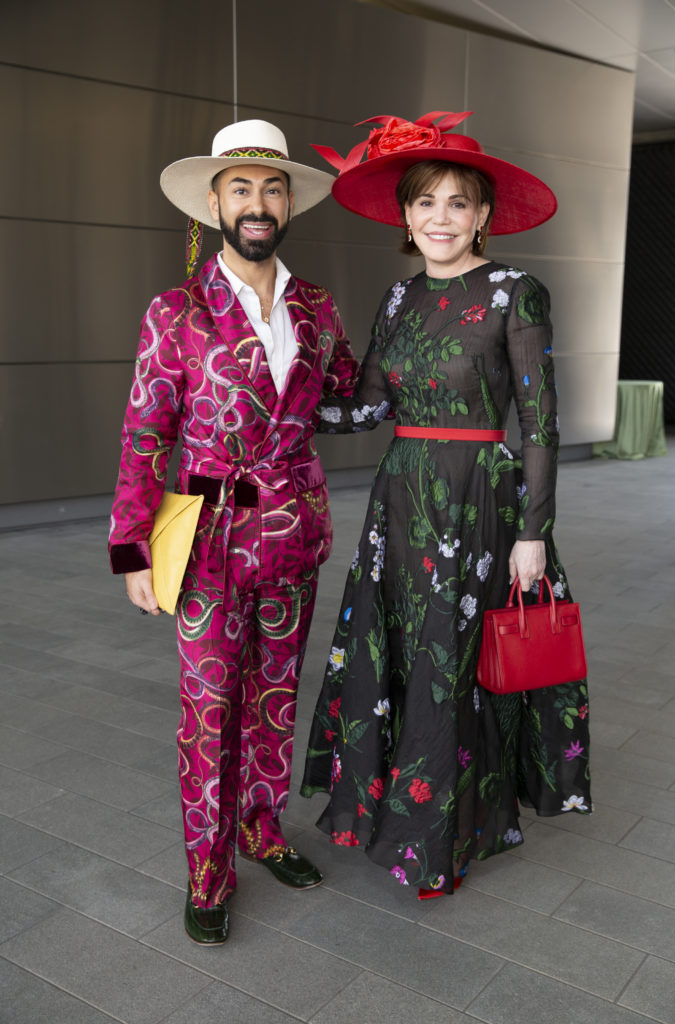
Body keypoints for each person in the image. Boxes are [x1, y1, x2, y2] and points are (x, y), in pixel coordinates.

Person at [301, 111, 592, 899]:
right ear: (404, 215)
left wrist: (534, 534)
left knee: (450, 665)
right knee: (400, 651)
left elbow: (540, 423)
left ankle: (442, 838)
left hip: (477, 504)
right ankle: (389, 816)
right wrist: (275, 404)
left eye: (457, 203)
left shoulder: (513, 293)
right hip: (399, 502)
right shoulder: (395, 299)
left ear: (483, 216)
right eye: (425, 202)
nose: (440, 218)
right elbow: (365, 409)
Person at [108, 119, 359, 943]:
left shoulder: (317, 308)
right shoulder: (174, 310)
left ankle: (260, 829)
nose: (258, 203)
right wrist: (130, 549)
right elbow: (145, 436)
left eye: (272, 187)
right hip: (207, 541)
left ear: (289, 203)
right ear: (213, 203)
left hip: (292, 534)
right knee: (208, 710)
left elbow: (349, 400)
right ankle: (207, 873)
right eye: (242, 188)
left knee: (274, 699)